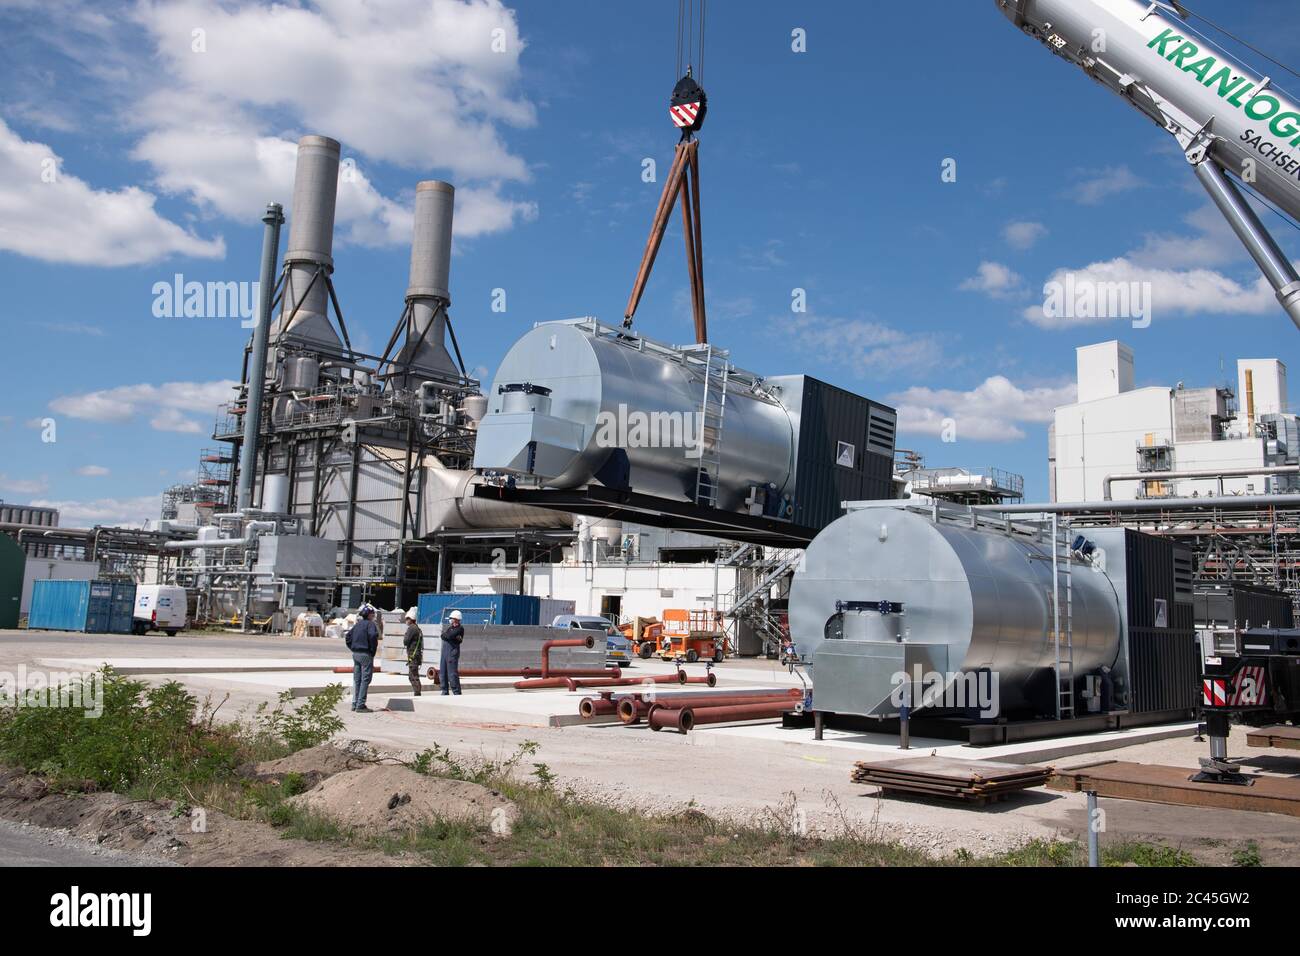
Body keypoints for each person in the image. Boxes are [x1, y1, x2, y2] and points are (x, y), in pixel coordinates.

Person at [347, 605, 380, 712]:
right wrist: (372, 651)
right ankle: (360, 705)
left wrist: (352, 647)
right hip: (365, 654)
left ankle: (354, 703)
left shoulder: (357, 625)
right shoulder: (371, 625)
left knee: (357, 680)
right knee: (365, 679)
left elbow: (348, 637)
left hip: (355, 654)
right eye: (373, 614)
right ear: (370, 615)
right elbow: (373, 636)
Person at [440, 608, 464, 696]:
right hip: (445, 653)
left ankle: (456, 692)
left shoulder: (460, 629)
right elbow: (443, 635)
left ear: (456, 618)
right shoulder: (450, 628)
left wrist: (448, 636)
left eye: (451, 618)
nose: (450, 619)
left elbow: (449, 636)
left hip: (452, 653)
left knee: (452, 674)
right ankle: (444, 691)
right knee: (443, 672)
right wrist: (447, 636)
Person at [402, 607, 423, 696]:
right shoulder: (417, 628)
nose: (406, 621)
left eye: (407, 619)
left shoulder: (412, 628)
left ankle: (417, 693)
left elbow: (406, 641)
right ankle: (417, 692)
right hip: (416, 655)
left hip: (413, 655)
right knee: (412, 675)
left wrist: (405, 635)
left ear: (411, 619)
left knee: (413, 676)